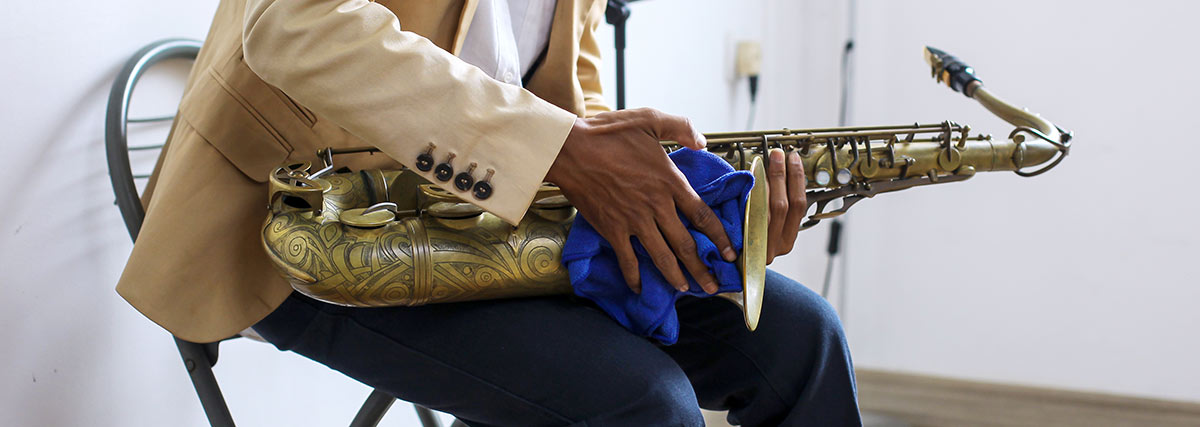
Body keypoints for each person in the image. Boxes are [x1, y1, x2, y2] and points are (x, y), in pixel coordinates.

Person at [117, 0, 862, 424]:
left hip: (486, 221)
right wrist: (562, 148)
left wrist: (651, 188)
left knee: (802, 338)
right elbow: (290, 27)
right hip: (304, 232)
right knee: (643, 403)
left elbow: (573, 82)